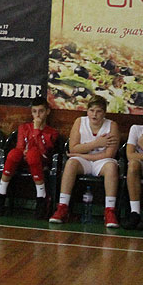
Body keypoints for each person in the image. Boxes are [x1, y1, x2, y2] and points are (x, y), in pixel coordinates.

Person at [49, 95, 121, 228]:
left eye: (98, 111)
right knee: (71, 164)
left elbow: (109, 154)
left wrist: (80, 153)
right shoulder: (79, 122)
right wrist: (96, 144)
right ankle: (62, 207)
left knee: (111, 167)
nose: (94, 114)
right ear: (87, 111)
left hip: (102, 161)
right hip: (83, 161)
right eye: (91, 110)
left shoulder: (112, 126)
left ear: (104, 113)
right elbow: (73, 148)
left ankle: (109, 211)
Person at [0, 94, 58, 218]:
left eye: (41, 111)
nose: (37, 115)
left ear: (47, 112)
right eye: (34, 111)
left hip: (40, 161)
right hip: (23, 158)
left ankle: (41, 197)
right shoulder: (24, 128)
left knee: (33, 154)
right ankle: (1, 194)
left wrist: (37, 130)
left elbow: (43, 150)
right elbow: (20, 147)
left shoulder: (52, 132)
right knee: (13, 154)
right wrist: (24, 151)